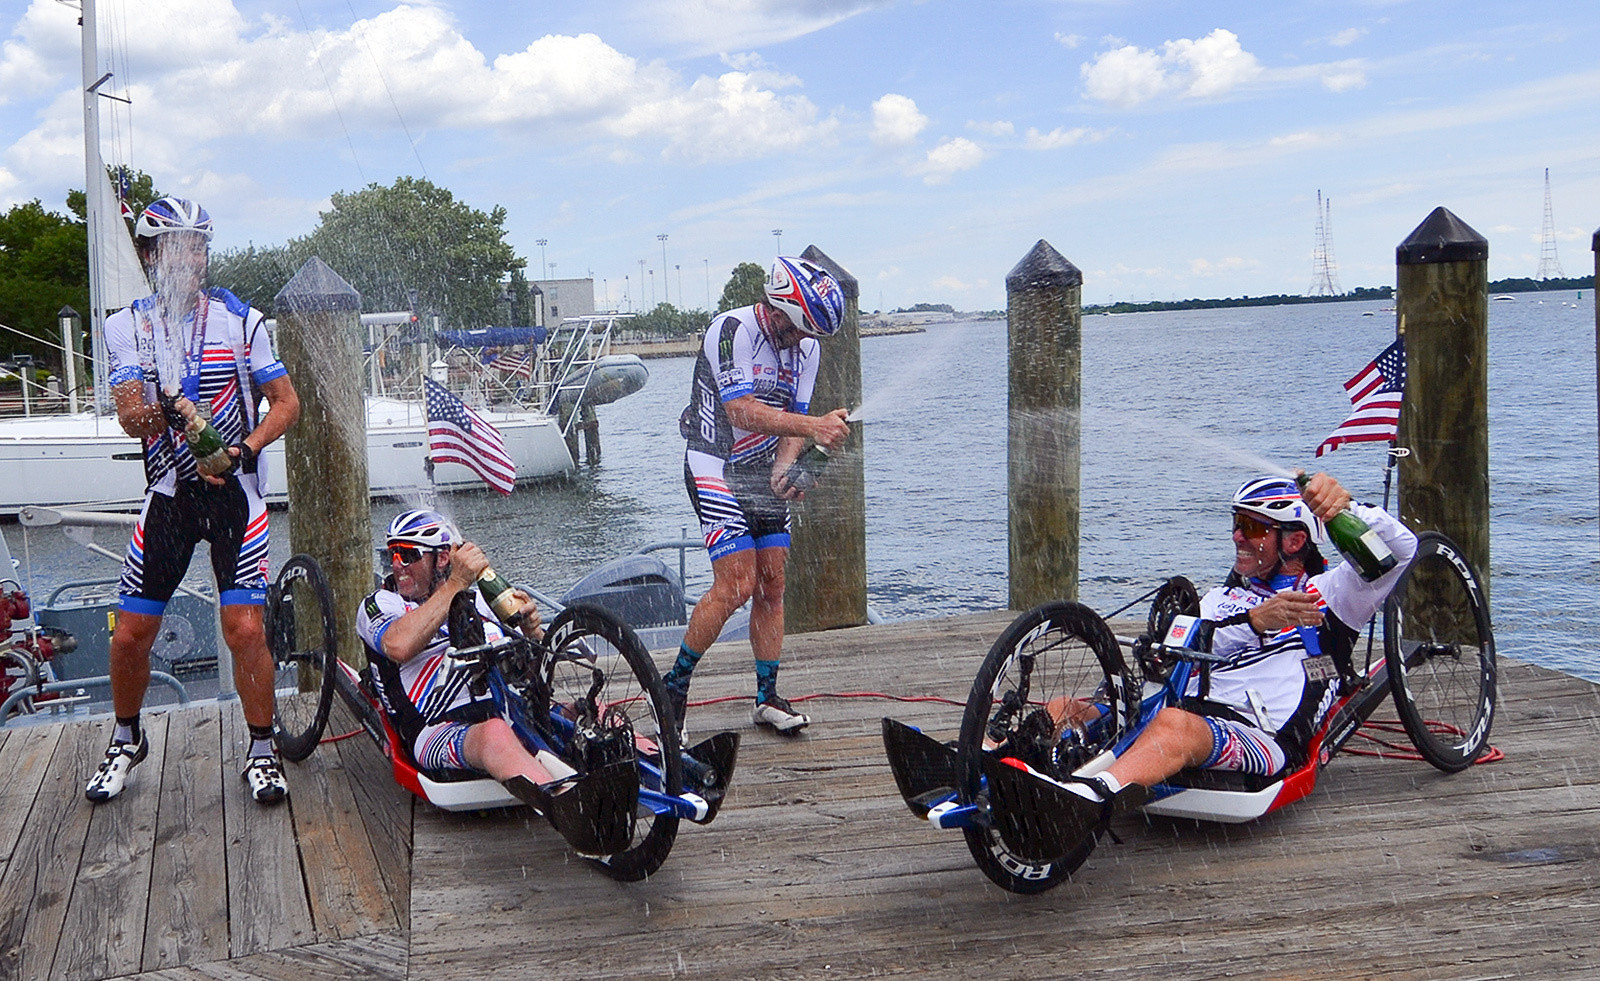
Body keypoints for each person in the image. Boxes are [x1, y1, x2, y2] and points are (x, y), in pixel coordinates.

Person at [1027, 472, 1417, 828]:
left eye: (1251, 527)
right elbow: (1175, 648)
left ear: (1295, 540)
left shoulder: (1333, 594)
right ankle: (990, 757)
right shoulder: (1219, 598)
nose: (1236, 537)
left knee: (1173, 726)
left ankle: (1086, 798)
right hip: (1180, 709)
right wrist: (1253, 622)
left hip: (1257, 732)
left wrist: (1345, 507)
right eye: (1236, 524)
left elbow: (1403, 552)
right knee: (1066, 708)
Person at [86, 197, 301, 805]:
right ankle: (126, 739)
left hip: (232, 491)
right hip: (170, 497)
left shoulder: (241, 320)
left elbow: (286, 404)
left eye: (201, 246)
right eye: (181, 247)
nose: (194, 259)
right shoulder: (127, 325)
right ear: (154, 255)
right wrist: (171, 406)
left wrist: (243, 449)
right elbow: (133, 419)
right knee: (131, 635)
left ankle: (262, 748)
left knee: (244, 627)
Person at [665, 256, 850, 736]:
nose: (804, 342)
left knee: (772, 584)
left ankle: (766, 697)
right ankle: (672, 691)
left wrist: (788, 465)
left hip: (760, 471)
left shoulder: (808, 350)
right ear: (778, 309)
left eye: (812, 336)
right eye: (800, 330)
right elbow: (742, 411)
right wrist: (814, 428)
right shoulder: (731, 331)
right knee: (736, 585)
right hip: (715, 466)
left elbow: (794, 413)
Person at [356, 510, 576, 795]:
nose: (397, 566)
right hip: (437, 728)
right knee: (495, 734)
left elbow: (537, 667)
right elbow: (398, 646)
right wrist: (456, 583)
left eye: (408, 555)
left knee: (592, 715)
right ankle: (564, 802)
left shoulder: (482, 599)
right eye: (391, 554)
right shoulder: (381, 604)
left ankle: (646, 774)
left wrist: (533, 632)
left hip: (511, 709)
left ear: (442, 558)